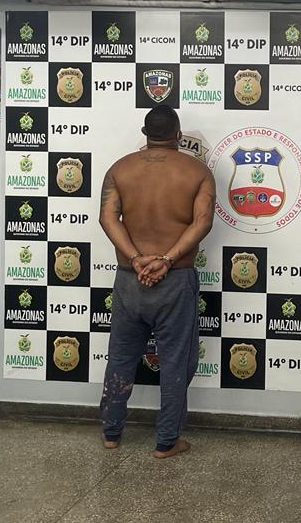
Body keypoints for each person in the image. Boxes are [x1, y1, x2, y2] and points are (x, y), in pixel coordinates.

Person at [98, 105, 215, 459]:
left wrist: (136, 258)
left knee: (120, 358)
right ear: (178, 135)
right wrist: (167, 259)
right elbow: (202, 222)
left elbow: (107, 218)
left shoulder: (120, 169)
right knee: (176, 362)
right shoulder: (198, 172)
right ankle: (166, 441)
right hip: (175, 279)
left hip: (129, 280)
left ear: (145, 133)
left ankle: (111, 433)